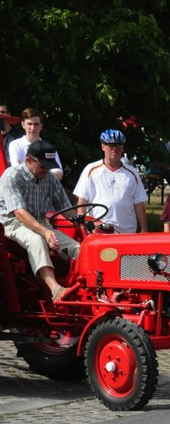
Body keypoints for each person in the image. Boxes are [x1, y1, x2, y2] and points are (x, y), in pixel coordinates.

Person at [0, 140, 80, 299]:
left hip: (41, 224)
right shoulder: (12, 176)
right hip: (13, 224)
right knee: (36, 240)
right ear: (28, 160)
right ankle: (56, 290)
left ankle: (86, 286)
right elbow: (19, 213)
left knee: (78, 247)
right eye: (43, 166)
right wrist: (45, 232)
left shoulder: (49, 178)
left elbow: (66, 208)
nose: (46, 170)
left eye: (49, 166)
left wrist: (83, 224)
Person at [73, 129, 148, 234]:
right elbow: (82, 201)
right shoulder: (91, 170)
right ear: (103, 146)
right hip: (98, 230)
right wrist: (82, 227)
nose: (115, 148)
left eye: (119, 145)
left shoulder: (132, 173)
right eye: (111, 145)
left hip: (126, 232)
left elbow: (139, 202)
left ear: (123, 148)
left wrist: (144, 229)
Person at [8, 109, 64, 179]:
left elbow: (59, 174)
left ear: (41, 126)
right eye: (29, 124)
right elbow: (17, 171)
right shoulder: (15, 145)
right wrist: (44, 172)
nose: (33, 128)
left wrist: (32, 172)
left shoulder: (48, 148)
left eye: (36, 124)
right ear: (23, 124)